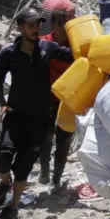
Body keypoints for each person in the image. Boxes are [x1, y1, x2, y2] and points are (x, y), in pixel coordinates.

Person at [0, 8, 74, 219]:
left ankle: (14, 206)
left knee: (24, 166)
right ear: (21, 27)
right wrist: (2, 103)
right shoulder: (9, 53)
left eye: (38, 25)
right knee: (4, 157)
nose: (36, 29)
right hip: (15, 116)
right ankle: (4, 182)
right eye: (31, 25)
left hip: (39, 119)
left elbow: (74, 56)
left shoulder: (48, 47)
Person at [37, 10, 76, 187]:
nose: (64, 28)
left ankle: (57, 178)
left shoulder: (76, 44)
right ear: (52, 25)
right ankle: (44, 170)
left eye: (66, 24)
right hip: (46, 98)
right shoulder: (44, 42)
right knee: (45, 139)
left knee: (64, 140)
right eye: (60, 23)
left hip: (67, 100)